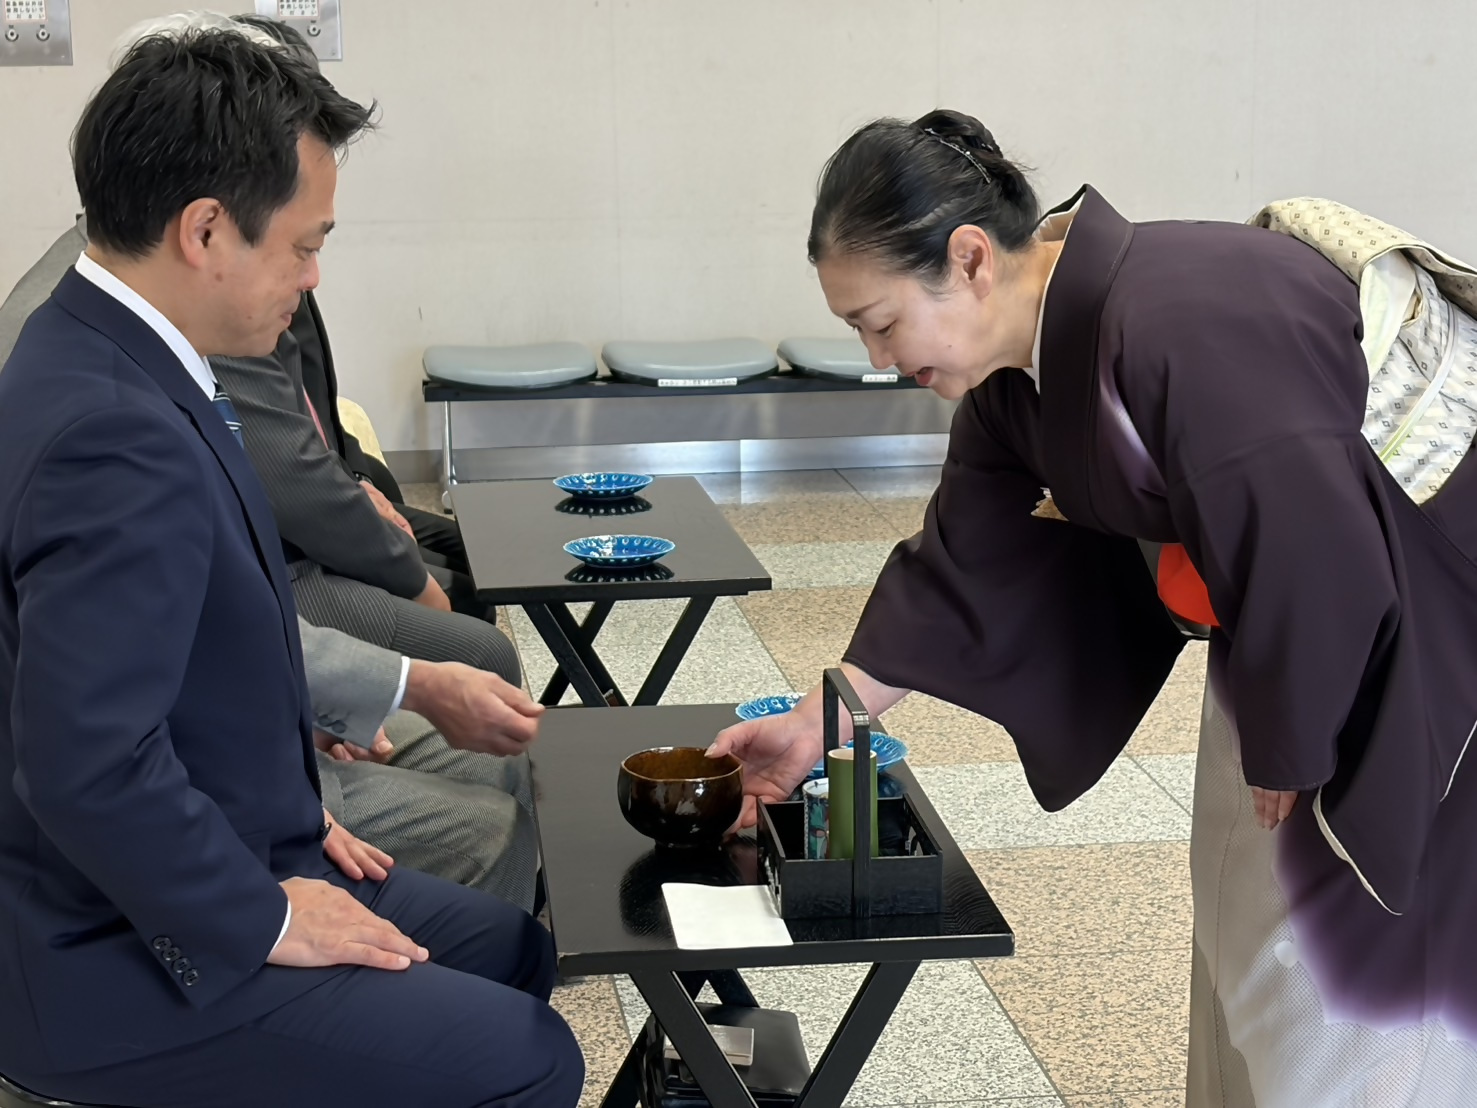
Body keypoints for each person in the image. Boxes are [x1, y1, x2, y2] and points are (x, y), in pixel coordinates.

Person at [710, 109, 1477, 1106]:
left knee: (1343, 970)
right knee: (1243, 926)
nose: (876, 355)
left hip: (1422, 624)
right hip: (1296, 638)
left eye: (881, 323)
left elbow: (1315, 541)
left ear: (969, 258)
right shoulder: (1013, 379)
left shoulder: (1180, 324)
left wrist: (1292, 744)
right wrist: (820, 720)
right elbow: (960, 565)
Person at [0, 26, 581, 1107]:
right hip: (108, 951)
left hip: (241, 845)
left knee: (511, 951)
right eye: (303, 246)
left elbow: (185, 644)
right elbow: (86, 763)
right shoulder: (110, 431)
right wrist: (264, 912)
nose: (313, 276)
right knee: (535, 1059)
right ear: (205, 230)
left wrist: (290, 804)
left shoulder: (122, 351)